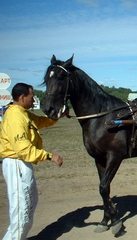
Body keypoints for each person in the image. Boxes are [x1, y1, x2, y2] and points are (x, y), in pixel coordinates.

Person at [0, 83, 63, 239]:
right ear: (22, 97)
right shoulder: (15, 116)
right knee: (22, 212)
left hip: (22, 164)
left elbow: (41, 122)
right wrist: (49, 156)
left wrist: (57, 115)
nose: (33, 99)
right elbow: (23, 150)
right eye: (31, 96)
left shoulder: (23, 113)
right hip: (16, 163)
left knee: (29, 203)